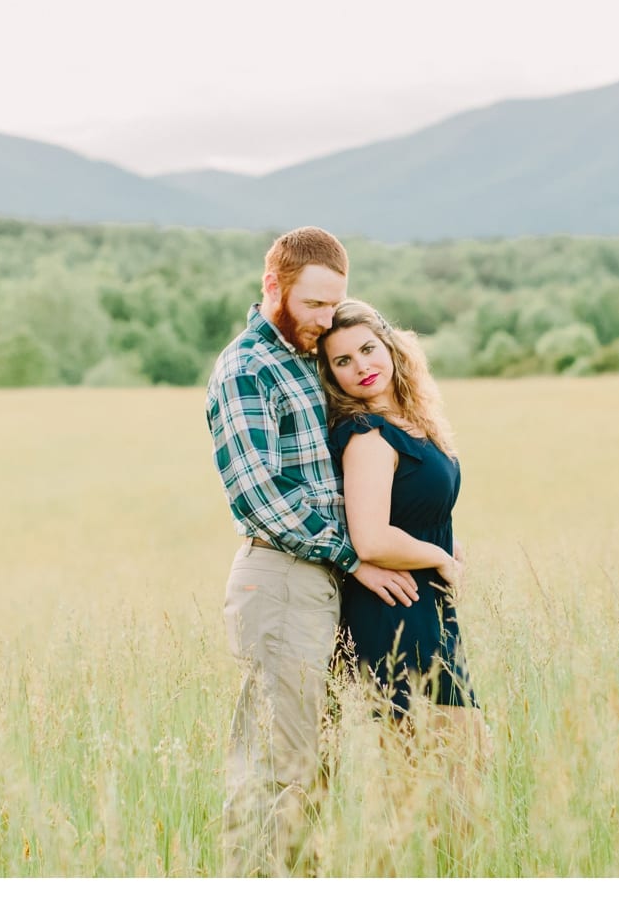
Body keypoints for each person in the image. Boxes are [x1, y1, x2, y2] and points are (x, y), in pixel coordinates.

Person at [205, 227, 417, 878]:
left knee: (312, 769)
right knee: (277, 771)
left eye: (336, 305)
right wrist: (355, 556)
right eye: (314, 303)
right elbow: (260, 496)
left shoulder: (303, 357)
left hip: (319, 580)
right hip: (282, 578)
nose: (326, 320)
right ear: (274, 285)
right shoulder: (245, 367)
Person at [316, 300, 482, 742]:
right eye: (343, 361)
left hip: (428, 607)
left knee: (462, 762)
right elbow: (370, 539)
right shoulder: (367, 433)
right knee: (430, 769)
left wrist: (447, 540)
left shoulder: (411, 420)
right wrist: (440, 557)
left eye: (368, 349)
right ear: (332, 375)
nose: (361, 367)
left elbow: (409, 505)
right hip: (394, 609)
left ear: (389, 345)